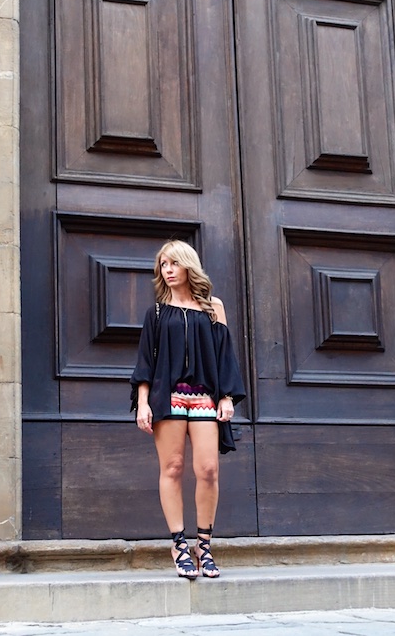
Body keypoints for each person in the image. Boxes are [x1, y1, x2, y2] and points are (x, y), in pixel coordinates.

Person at [130, 240, 246, 579]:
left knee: (208, 470)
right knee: (173, 467)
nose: (167, 270)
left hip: (204, 397)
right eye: (163, 264)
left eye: (174, 263)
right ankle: (179, 545)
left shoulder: (213, 308)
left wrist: (227, 397)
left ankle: (203, 546)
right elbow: (145, 362)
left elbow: (225, 355)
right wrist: (142, 403)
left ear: (188, 265)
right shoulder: (156, 313)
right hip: (168, 399)